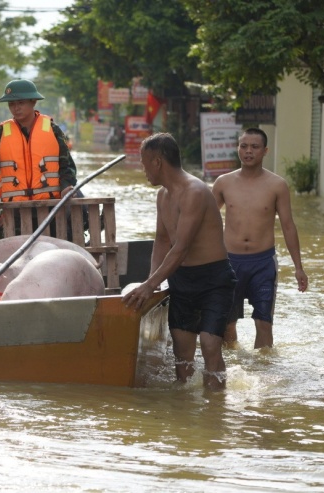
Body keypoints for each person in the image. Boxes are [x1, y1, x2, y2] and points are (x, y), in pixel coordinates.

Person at [123, 133, 236, 391]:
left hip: (213, 279)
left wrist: (150, 284)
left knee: (209, 344)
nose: (143, 170)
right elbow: (162, 241)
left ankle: (216, 408)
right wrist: (153, 282)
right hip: (181, 279)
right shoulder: (163, 196)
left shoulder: (194, 191)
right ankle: (183, 409)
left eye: (143, 163)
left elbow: (181, 248)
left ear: (158, 162)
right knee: (182, 355)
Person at [212, 128, 308, 349]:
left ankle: (264, 373)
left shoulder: (277, 185)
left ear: (265, 151)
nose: (248, 151)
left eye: (254, 147)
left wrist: (298, 267)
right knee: (227, 324)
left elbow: (288, 226)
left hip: (263, 263)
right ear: (238, 148)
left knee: (264, 322)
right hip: (229, 262)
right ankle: (234, 367)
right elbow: (207, 221)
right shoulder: (223, 183)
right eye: (243, 146)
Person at [0, 79, 76, 212]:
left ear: (33, 102)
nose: (16, 108)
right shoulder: (1, 132)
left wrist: (66, 186)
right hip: (15, 210)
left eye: (21, 103)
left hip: (50, 207)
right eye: (12, 104)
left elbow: (67, 165)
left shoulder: (52, 129)